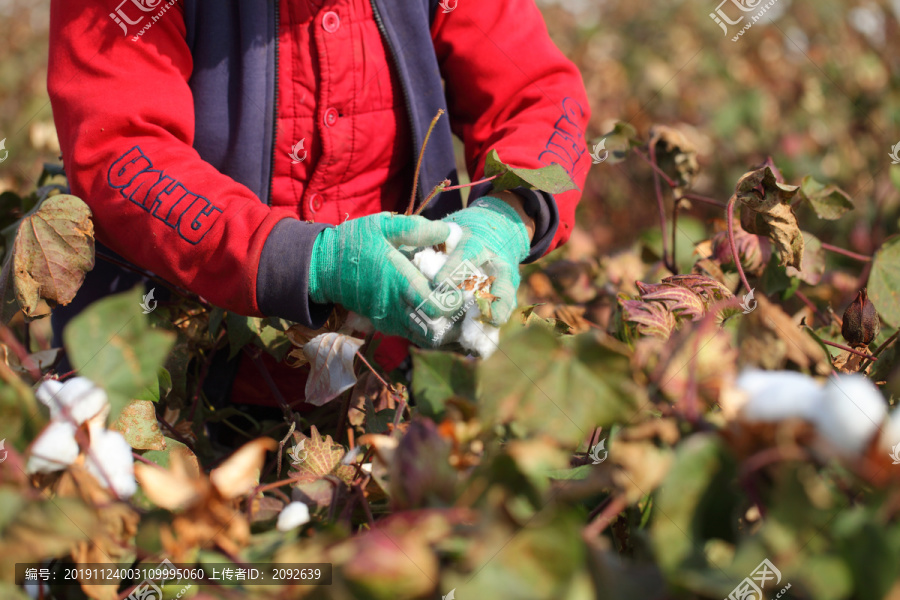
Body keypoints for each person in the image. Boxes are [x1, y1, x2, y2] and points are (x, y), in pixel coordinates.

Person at [47, 0, 592, 407]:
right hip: (173, 384)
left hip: (388, 386)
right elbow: (123, 151)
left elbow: (538, 94)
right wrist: (305, 260)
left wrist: (510, 215)